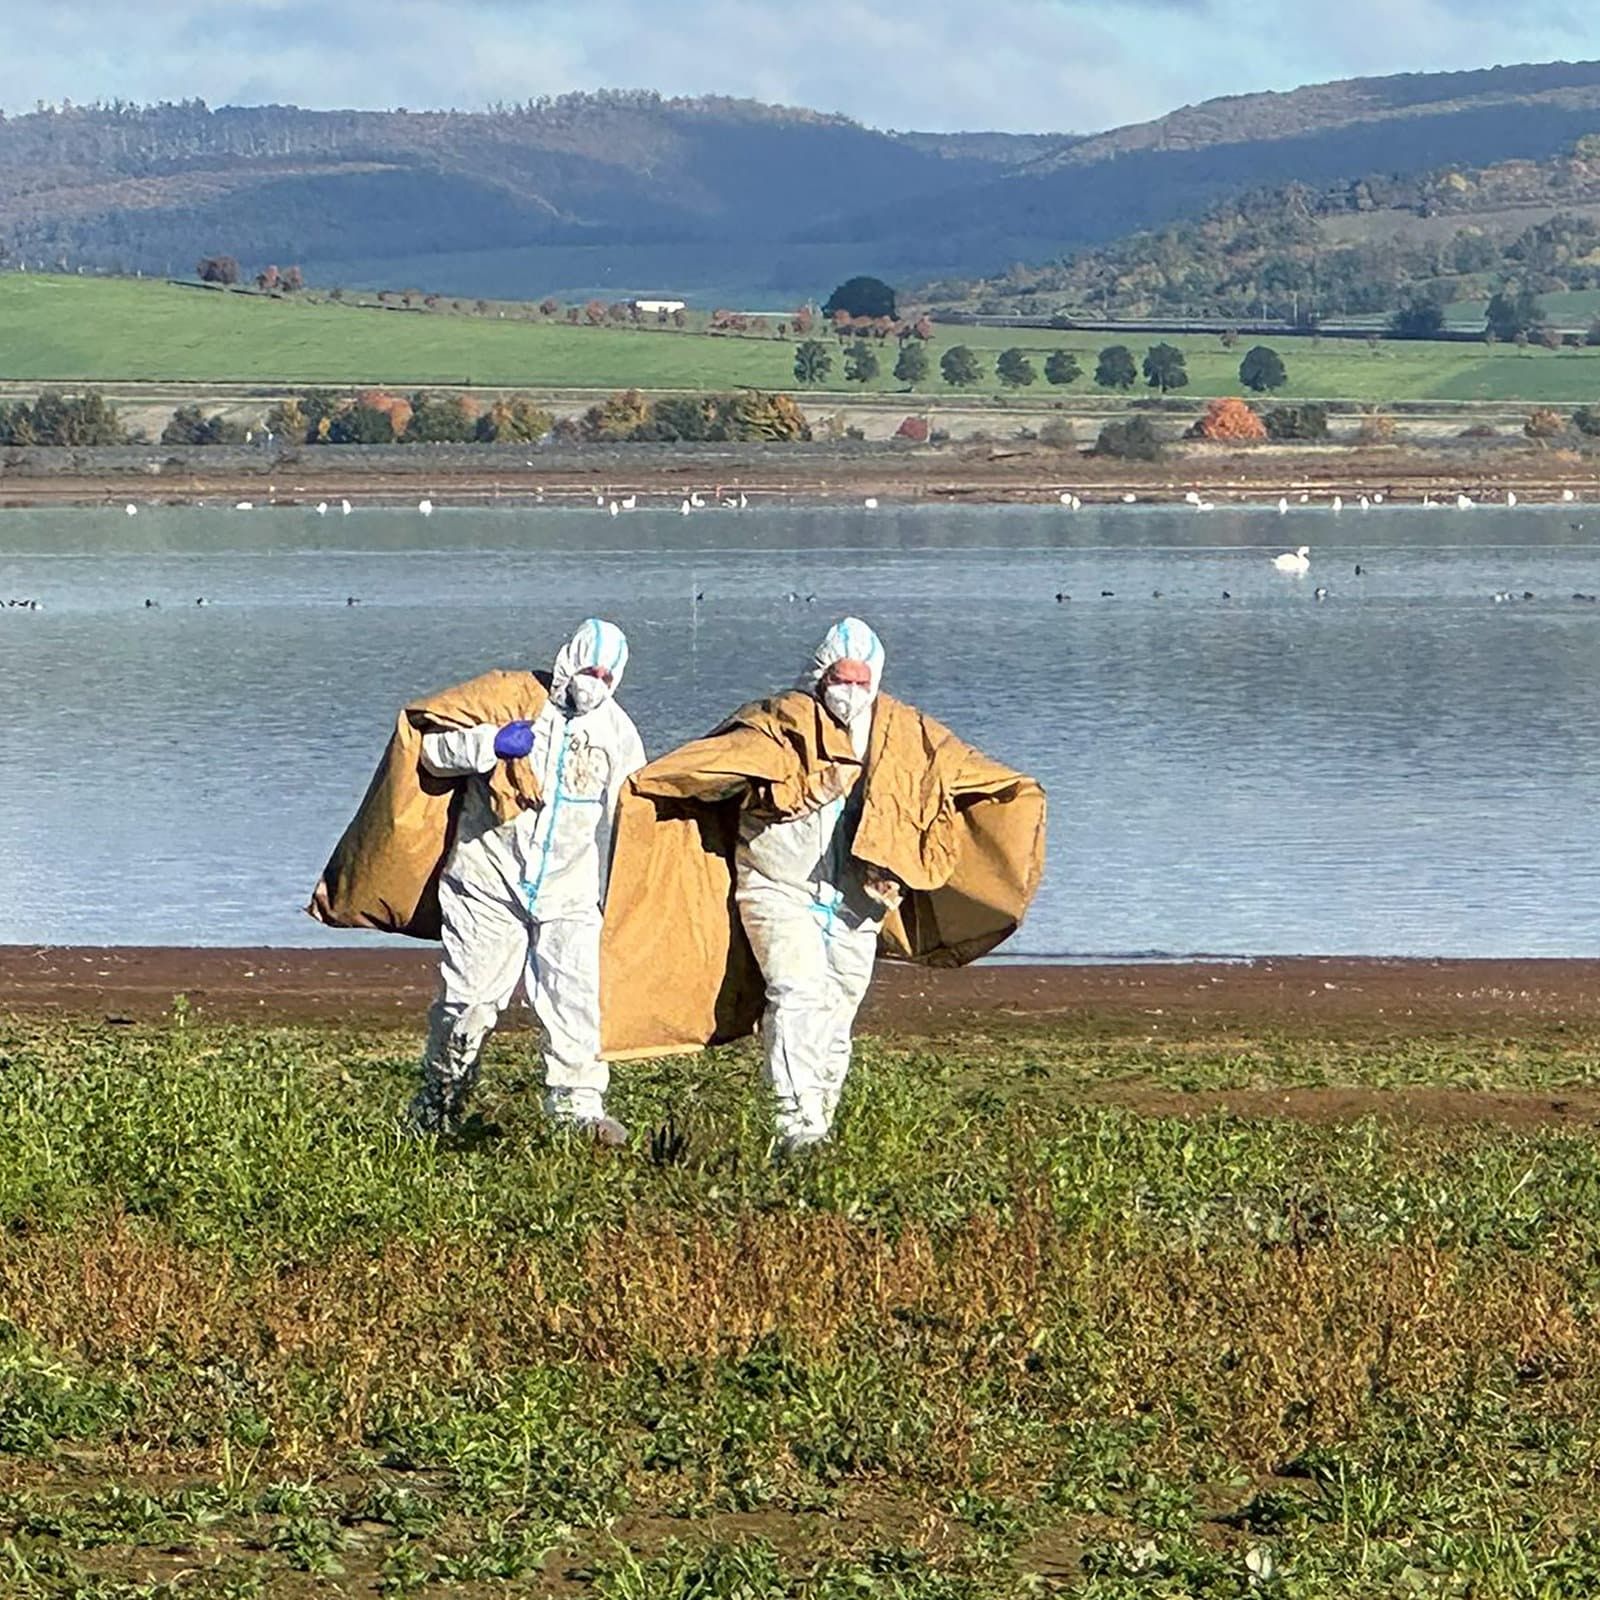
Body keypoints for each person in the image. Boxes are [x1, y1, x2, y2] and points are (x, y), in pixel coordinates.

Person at [598, 618, 1046, 1156]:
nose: (849, 692)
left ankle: (819, 1126)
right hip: (776, 887)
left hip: (859, 899)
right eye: (840, 679)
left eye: (861, 682)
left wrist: (1013, 805)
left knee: (836, 1013)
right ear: (819, 674)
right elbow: (701, 768)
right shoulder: (778, 725)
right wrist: (754, 785)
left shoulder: (908, 735)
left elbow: (976, 775)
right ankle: (794, 1125)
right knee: (796, 992)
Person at [407, 619, 645, 1140]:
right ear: (568, 659)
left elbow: (629, 818)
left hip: (572, 891)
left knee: (574, 1000)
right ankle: (438, 1105)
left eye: (606, 674)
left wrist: (618, 895)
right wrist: (488, 744)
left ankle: (578, 1112)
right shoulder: (511, 700)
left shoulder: (618, 735)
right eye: (588, 669)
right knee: (467, 1000)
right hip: (487, 878)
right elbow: (430, 753)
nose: (594, 681)